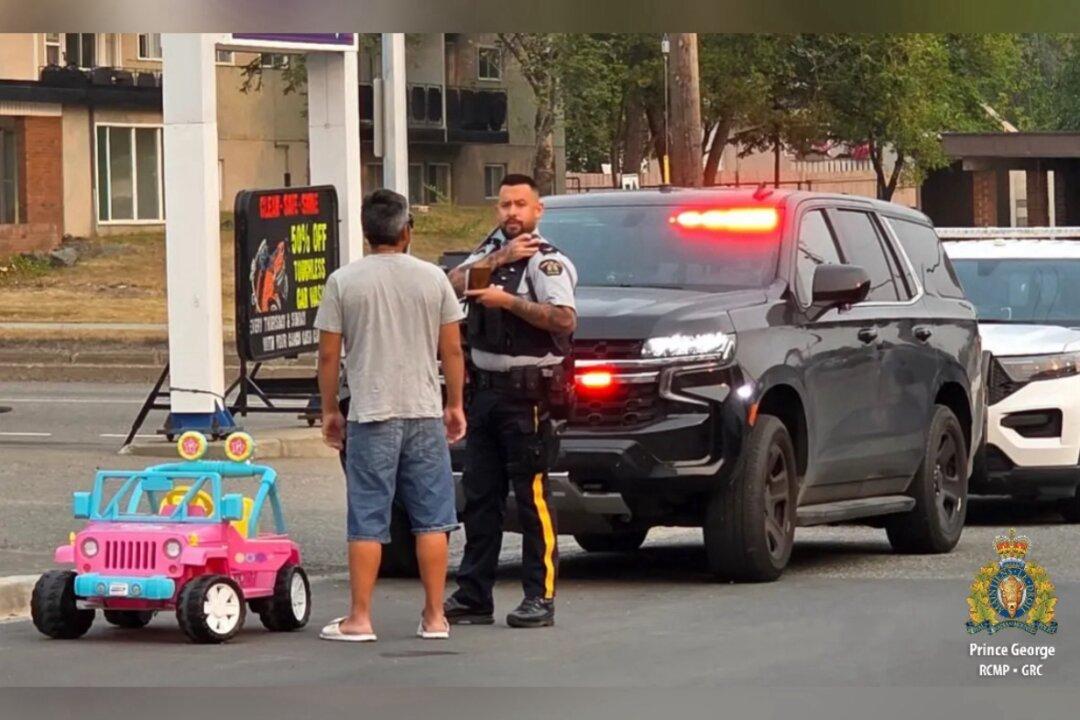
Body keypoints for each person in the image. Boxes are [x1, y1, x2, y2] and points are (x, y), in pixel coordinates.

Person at [315, 189, 467, 642]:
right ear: (406, 231)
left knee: (367, 517)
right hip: (422, 410)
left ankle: (360, 618)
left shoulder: (344, 281)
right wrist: (454, 403)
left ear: (366, 234)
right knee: (433, 518)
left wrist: (328, 410)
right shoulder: (433, 279)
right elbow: (453, 348)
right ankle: (436, 616)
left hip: (371, 411)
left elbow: (328, 356)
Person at [444, 174, 578, 628]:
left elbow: (563, 320)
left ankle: (539, 597)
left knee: (531, 498)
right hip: (485, 394)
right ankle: (474, 596)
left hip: (529, 397)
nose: (512, 213)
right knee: (480, 498)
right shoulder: (489, 254)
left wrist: (508, 302)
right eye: (505, 206)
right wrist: (498, 257)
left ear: (538, 210)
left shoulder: (547, 263)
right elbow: (452, 286)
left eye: (521, 205)